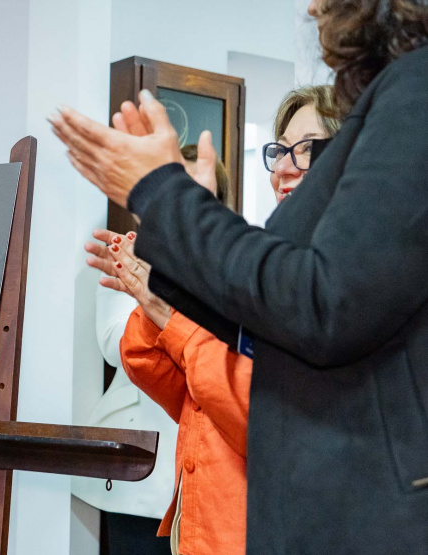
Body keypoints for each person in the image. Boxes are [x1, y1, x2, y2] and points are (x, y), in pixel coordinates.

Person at [50, 0, 428, 552]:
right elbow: (273, 326)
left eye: (307, 149)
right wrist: (180, 243)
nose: (314, 7)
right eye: (281, 150)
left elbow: (323, 304)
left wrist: (166, 199)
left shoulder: (415, 91)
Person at [89, 86, 341, 555]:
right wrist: (153, 295)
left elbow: (256, 417)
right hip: (199, 519)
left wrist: (169, 309)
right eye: (281, 149)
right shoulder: (267, 259)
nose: (284, 166)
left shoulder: (334, 278)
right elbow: (178, 388)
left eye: (305, 149)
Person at [75, 145, 229, 555]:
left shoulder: (231, 264)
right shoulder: (127, 256)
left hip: (215, 465)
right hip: (137, 466)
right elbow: (114, 346)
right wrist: (152, 289)